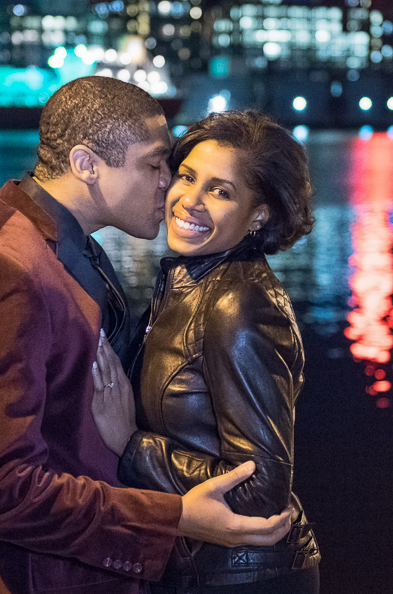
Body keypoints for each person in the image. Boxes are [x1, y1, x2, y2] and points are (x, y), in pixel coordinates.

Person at [0, 78, 292, 594]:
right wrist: (173, 516)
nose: (167, 184)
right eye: (156, 165)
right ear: (88, 165)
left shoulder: (67, 248)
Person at [91, 110, 321, 593]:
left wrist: (132, 444)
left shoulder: (238, 304)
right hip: (202, 566)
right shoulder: (190, 282)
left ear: (258, 214)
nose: (189, 201)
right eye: (187, 176)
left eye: (221, 191)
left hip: (241, 576)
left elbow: (262, 489)